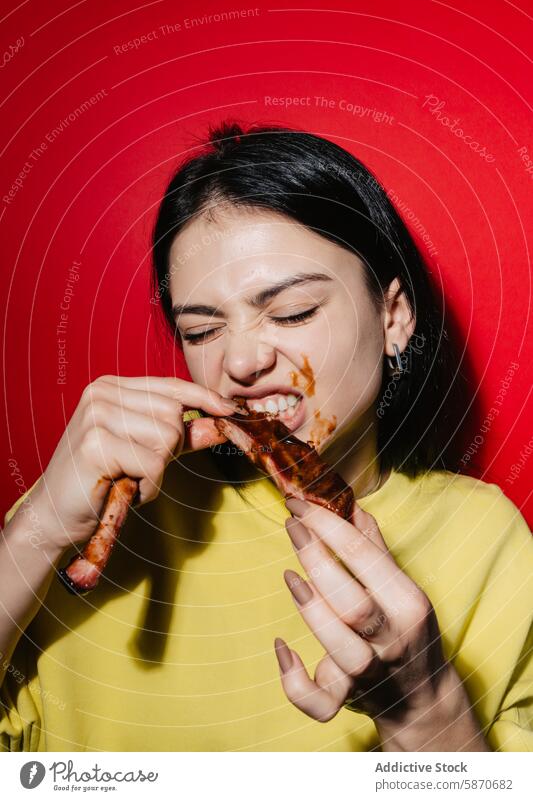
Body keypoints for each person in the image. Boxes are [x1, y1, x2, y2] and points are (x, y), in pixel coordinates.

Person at [1, 122, 531, 753]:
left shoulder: (487, 539)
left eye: (292, 312)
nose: (243, 361)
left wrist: (426, 713)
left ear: (394, 316)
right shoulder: (92, 513)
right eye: (201, 332)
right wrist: (39, 529)